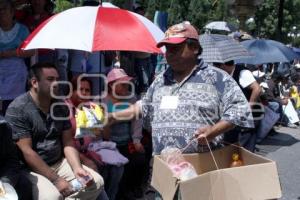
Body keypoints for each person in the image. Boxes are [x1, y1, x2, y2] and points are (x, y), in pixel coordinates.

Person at [109, 21, 253, 157]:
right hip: (164, 166)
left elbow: (240, 110)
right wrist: (111, 117)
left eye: (176, 48)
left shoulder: (217, 78)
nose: (169, 53)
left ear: (195, 48)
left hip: (201, 168)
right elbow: (144, 106)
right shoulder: (160, 81)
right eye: (167, 49)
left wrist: (213, 131)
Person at [5, 62, 103, 200]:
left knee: (95, 182)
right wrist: (56, 179)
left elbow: (68, 142)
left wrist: (76, 168)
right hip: (31, 169)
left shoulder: (60, 106)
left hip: (59, 162)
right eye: (50, 79)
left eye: (57, 79)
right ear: (34, 82)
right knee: (52, 197)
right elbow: (27, 152)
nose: (56, 83)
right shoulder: (18, 109)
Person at [66, 76, 124, 200]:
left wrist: (104, 119)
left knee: (117, 166)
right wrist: (86, 157)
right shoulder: (65, 109)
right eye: (80, 89)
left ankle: (110, 196)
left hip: (90, 149)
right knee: (95, 168)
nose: (84, 93)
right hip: (74, 155)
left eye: (87, 90)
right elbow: (67, 143)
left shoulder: (91, 107)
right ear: (72, 91)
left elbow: (103, 136)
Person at [105, 68, 147, 200]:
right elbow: (101, 125)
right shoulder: (101, 100)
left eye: (127, 83)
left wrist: (136, 140)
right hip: (109, 143)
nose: (126, 86)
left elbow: (137, 120)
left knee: (140, 159)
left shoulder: (131, 98)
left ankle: (134, 188)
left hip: (127, 141)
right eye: (122, 84)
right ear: (112, 85)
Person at [214, 61, 262, 152]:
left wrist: (248, 110)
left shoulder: (242, 73)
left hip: (248, 118)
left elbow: (257, 89)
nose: (216, 68)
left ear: (223, 65)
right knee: (231, 147)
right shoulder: (224, 76)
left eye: (217, 65)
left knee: (243, 150)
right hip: (234, 117)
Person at [0, 0, 35, 115]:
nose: (1, 12)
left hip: (16, 74)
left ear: (12, 12)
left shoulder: (22, 30)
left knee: (15, 105)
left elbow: (31, 51)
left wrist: (11, 53)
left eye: (4, 9)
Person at [0, 115, 33, 200]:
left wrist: (5, 183)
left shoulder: (4, 127)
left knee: (24, 184)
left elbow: (11, 161)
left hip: (2, 176)